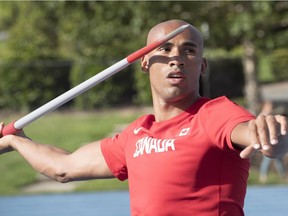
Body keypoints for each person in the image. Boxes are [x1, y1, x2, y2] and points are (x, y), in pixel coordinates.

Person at [0, 20, 288, 216]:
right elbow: (63, 167)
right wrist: (14, 139)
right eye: (165, 49)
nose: (177, 58)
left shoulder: (215, 114)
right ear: (145, 62)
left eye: (189, 51)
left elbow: (256, 134)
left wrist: (271, 134)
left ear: (202, 66)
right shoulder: (137, 134)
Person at [258, 101, 287, 183]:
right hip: (267, 143)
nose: (271, 108)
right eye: (270, 106)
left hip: (274, 142)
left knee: (278, 160)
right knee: (267, 160)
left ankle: (282, 176)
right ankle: (263, 175)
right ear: (265, 106)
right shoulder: (263, 115)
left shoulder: (272, 115)